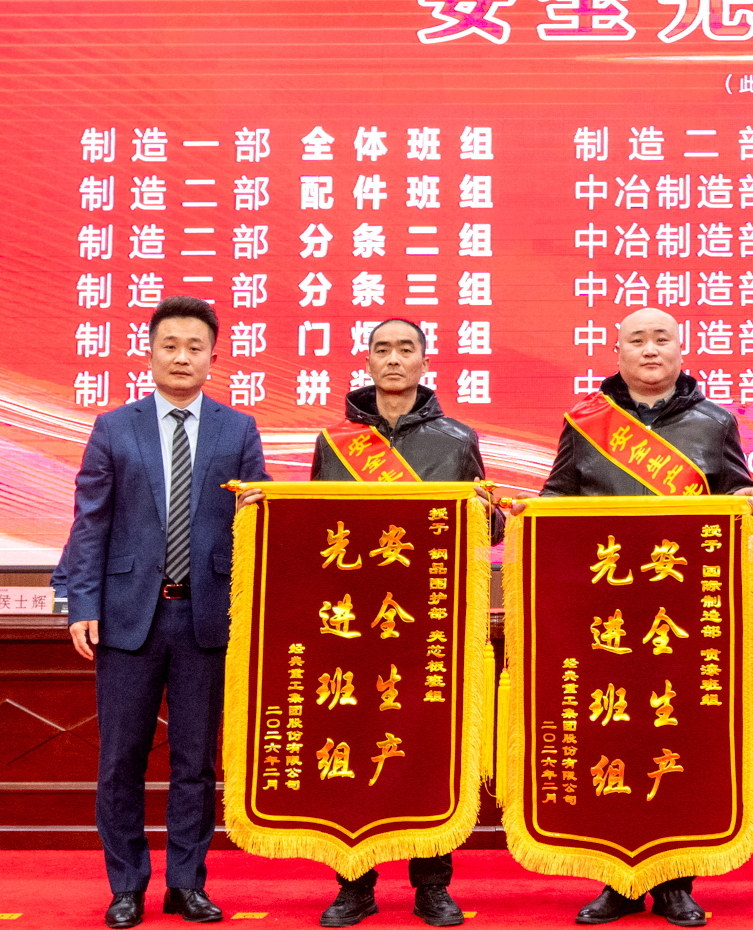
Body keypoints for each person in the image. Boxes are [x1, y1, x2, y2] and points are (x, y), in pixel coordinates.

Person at [541, 307, 753, 928]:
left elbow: (736, 492)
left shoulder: (714, 422)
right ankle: (616, 880)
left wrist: (744, 501)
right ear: (617, 353)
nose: (649, 349)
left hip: (683, 614)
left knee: (676, 735)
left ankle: (675, 883)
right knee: (609, 736)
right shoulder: (584, 423)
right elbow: (558, 496)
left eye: (661, 338)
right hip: (605, 614)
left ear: (681, 349)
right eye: (636, 340)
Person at [60, 297, 267, 929]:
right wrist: (82, 604)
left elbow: (256, 528)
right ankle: (126, 886)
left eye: (194, 347)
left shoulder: (239, 431)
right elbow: (90, 524)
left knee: (195, 764)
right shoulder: (114, 428)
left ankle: (186, 884)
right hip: (127, 618)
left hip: (206, 618)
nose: (182, 357)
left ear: (212, 357)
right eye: (170, 345)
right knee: (120, 761)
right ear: (149, 353)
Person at [292, 318, 497, 928]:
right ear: (367, 361)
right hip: (351, 622)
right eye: (381, 349)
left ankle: (432, 883)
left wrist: (487, 511)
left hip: (428, 619)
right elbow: (317, 527)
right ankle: (353, 883)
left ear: (424, 362)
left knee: (431, 749)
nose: (393, 359)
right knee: (351, 743)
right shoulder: (334, 443)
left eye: (406, 349)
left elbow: (486, 530)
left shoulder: (457, 440)